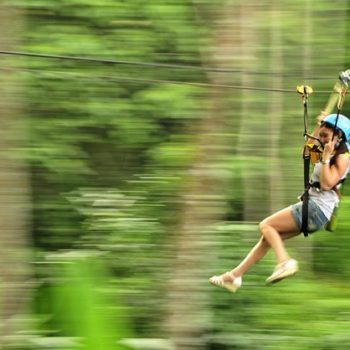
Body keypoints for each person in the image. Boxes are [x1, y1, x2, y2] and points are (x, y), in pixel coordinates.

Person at [209, 113, 350, 293]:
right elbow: (306, 151)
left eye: (325, 137)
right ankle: (234, 276)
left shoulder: (342, 157)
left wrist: (326, 157)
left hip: (316, 210)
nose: (321, 139)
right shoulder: (324, 150)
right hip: (315, 211)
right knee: (267, 239)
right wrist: (319, 126)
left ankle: (284, 262)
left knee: (266, 225)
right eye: (321, 136)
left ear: (339, 137)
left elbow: (326, 184)